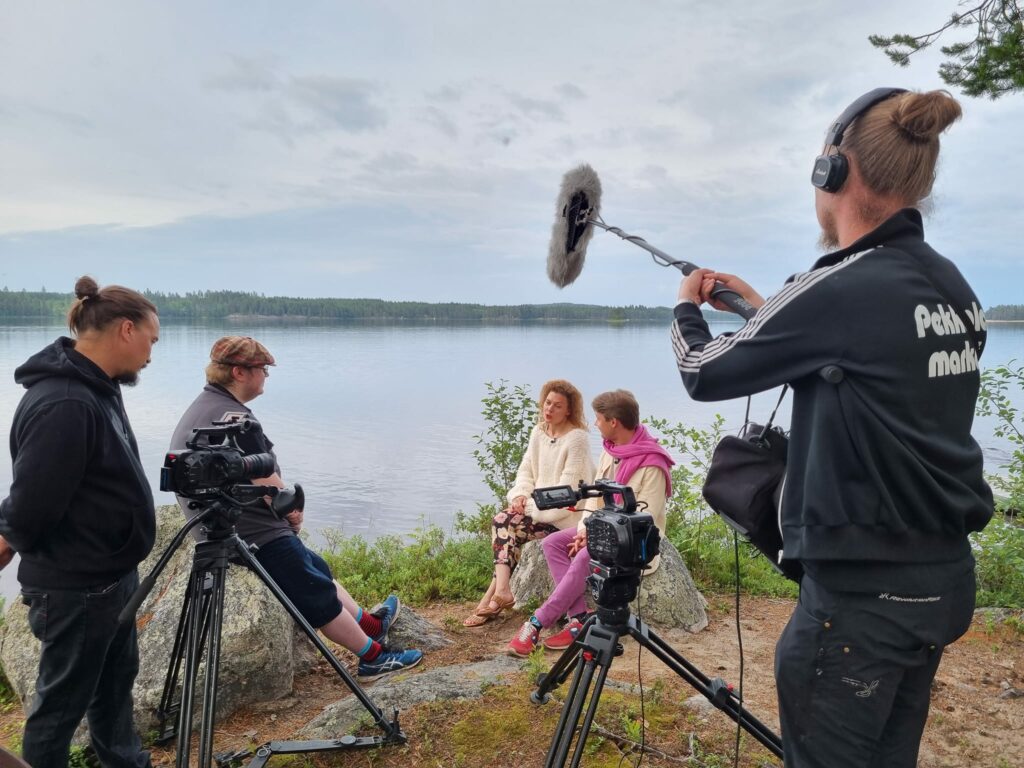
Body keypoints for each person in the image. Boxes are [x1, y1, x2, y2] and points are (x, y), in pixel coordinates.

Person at [671, 88, 993, 768]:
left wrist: (685, 308)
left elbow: (702, 371)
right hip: (938, 584)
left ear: (832, 173)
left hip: (859, 607)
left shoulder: (839, 284)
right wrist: (765, 311)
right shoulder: (954, 289)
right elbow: (877, 373)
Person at [170, 336, 422, 679]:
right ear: (239, 372)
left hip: (229, 522)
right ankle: (372, 657)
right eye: (263, 370)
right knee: (312, 588)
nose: (266, 377)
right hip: (247, 532)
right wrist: (289, 510)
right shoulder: (233, 418)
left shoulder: (206, 407)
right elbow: (264, 477)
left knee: (315, 566)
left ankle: (371, 625)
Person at [0, 276, 160, 768]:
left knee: (113, 690)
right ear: (126, 330)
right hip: (75, 588)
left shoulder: (98, 387)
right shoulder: (66, 402)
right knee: (60, 707)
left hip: (109, 579)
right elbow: (30, 506)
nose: (151, 355)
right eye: (151, 341)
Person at [506, 389, 674, 655]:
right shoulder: (611, 450)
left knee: (585, 556)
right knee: (552, 544)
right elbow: (595, 501)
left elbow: (646, 520)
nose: (595, 424)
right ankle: (579, 619)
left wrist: (594, 537)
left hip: (634, 544)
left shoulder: (651, 464)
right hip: (603, 530)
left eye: (598, 419)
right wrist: (585, 529)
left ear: (613, 422)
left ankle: (537, 622)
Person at [463, 379, 595, 628]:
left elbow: (565, 494)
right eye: (547, 403)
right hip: (537, 513)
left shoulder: (577, 439)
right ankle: (501, 591)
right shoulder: (539, 432)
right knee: (503, 521)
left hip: (565, 520)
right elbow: (526, 473)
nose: (549, 409)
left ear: (569, 410)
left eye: (557, 406)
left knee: (506, 526)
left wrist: (529, 506)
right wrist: (520, 496)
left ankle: (493, 598)